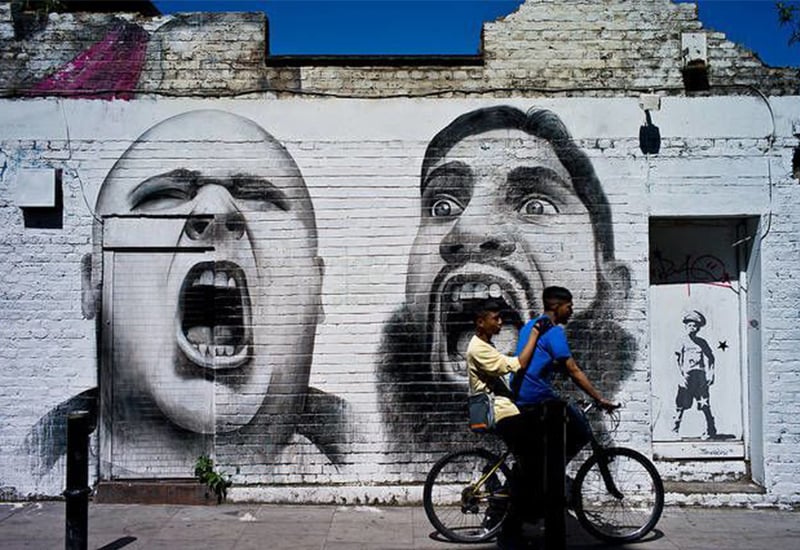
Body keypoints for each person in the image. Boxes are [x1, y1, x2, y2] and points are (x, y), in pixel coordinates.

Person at [27, 110, 351, 480]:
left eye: (260, 198)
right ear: (93, 282)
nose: (216, 210)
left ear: (317, 287)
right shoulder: (28, 465)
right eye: (165, 194)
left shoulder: (370, 446)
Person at [377, 105, 635, 457]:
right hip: (520, 410)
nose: (468, 230)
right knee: (537, 462)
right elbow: (563, 369)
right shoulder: (545, 333)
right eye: (443, 205)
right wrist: (596, 397)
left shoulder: (532, 332)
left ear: (613, 288)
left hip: (515, 409)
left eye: (536, 205)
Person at [467, 298, 550, 549]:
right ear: (481, 322)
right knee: (533, 464)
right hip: (501, 414)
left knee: (529, 461)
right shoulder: (477, 348)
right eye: (496, 318)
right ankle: (511, 527)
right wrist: (534, 334)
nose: (500, 322)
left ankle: (518, 498)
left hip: (507, 410)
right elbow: (517, 364)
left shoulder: (484, 344)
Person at [514, 286, 617, 469]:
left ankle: (540, 470)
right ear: (556, 307)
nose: (571, 311)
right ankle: (552, 471)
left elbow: (544, 362)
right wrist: (598, 398)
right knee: (580, 431)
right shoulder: (553, 332)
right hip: (535, 397)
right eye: (569, 307)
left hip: (521, 394)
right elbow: (573, 370)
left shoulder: (529, 326)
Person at [672, 310, 717, 439]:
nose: (692, 328)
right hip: (687, 377)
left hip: (700, 378)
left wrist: (711, 374)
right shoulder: (681, 341)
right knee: (681, 405)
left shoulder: (702, 342)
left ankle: (711, 430)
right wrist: (679, 376)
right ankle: (675, 430)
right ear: (685, 326)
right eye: (690, 325)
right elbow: (675, 360)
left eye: (695, 325)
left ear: (699, 328)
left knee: (704, 404)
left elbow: (711, 358)